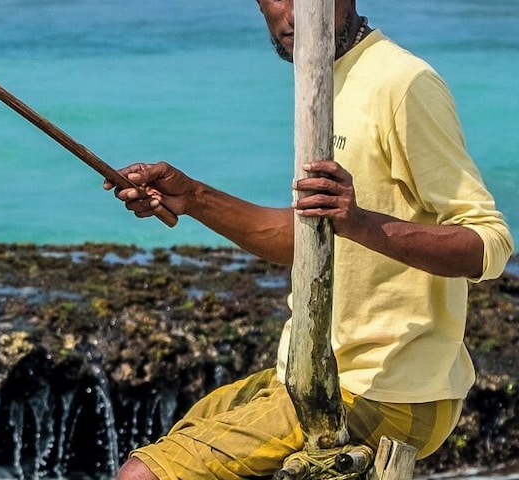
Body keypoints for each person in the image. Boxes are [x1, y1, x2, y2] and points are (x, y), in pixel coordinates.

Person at [105, 0, 513, 478]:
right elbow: (304, 243)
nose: (296, 12)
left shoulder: (403, 83)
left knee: (142, 476)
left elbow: (489, 245)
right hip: (308, 373)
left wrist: (358, 221)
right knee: (176, 437)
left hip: (389, 390)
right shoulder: (321, 83)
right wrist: (192, 197)